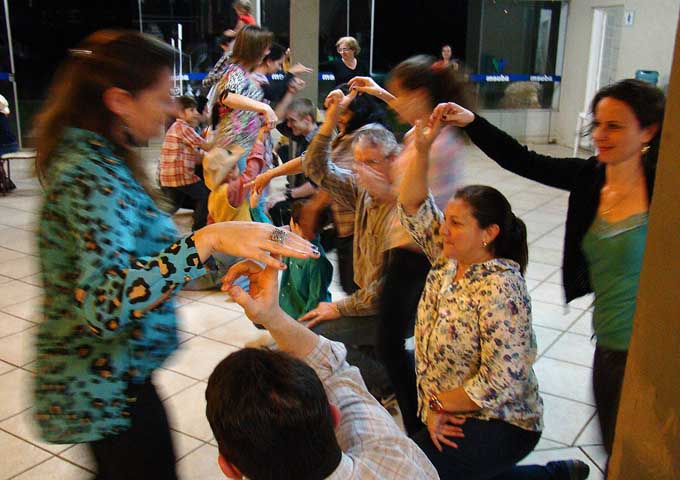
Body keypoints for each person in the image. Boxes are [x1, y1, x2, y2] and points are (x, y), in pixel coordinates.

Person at [32, 29, 319, 480]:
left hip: (122, 379)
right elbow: (105, 304)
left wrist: (220, 253)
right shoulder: (87, 177)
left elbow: (138, 259)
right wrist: (208, 239)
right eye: (163, 97)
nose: (171, 108)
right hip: (108, 389)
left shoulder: (104, 161)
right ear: (119, 101)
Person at [430, 78, 665, 473]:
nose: (600, 135)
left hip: (652, 352)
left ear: (648, 131)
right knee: (618, 449)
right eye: (597, 124)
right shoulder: (592, 178)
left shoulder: (663, 190)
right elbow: (523, 160)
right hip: (609, 343)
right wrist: (473, 122)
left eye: (614, 126)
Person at [397, 117, 589, 479]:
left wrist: (439, 404)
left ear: (489, 233)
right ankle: (556, 475)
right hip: (447, 409)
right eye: (446, 219)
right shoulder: (448, 259)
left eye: (456, 223)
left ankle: (552, 476)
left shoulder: (501, 289)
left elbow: (503, 378)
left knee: (417, 471)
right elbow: (411, 204)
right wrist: (421, 151)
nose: (443, 229)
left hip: (501, 419)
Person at [206, 257, 439, 480]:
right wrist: (272, 317)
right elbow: (332, 369)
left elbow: (331, 369)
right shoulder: (391, 456)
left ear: (229, 468)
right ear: (335, 416)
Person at [349, 55, 470, 434]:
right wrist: (377, 91)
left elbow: (419, 205)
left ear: (420, 95)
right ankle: (419, 416)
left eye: (399, 95)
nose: (394, 104)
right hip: (404, 249)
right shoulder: (421, 133)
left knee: (392, 343)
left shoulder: (438, 143)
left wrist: (381, 188)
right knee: (397, 341)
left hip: (419, 254)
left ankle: (418, 422)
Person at [298, 89, 398, 399]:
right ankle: (382, 368)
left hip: (396, 310)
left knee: (314, 332)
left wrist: (338, 308)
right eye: (358, 163)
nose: (360, 170)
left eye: (371, 162)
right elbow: (316, 168)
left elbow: (386, 290)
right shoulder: (363, 191)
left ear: (395, 161)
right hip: (373, 302)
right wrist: (328, 122)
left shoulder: (405, 210)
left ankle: (389, 381)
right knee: (317, 321)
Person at [249, 84, 387, 294]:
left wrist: (313, 204)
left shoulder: (369, 136)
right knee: (355, 288)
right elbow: (311, 162)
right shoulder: (345, 135)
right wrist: (269, 176)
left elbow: (322, 169)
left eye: (341, 111)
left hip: (361, 232)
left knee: (361, 291)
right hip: (347, 228)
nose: (336, 116)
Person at [214, 25, 277, 167]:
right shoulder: (235, 71)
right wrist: (264, 107)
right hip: (236, 148)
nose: (268, 52)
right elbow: (227, 96)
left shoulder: (246, 73)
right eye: (265, 48)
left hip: (246, 147)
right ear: (254, 49)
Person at [159, 95, 212, 230]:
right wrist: (225, 141)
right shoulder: (183, 127)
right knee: (205, 195)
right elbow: (207, 146)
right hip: (180, 175)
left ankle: (155, 222)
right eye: (192, 110)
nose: (195, 113)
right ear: (181, 113)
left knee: (173, 205)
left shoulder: (177, 127)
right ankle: (198, 229)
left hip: (169, 175)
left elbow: (196, 154)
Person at [278, 200, 333, 320]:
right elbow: (269, 233)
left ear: (297, 226)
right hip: (287, 308)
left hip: (302, 317)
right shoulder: (292, 240)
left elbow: (315, 301)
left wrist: (301, 324)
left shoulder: (317, 261)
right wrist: (255, 208)